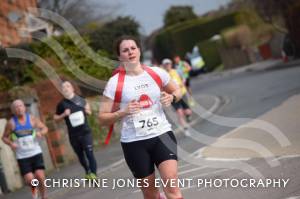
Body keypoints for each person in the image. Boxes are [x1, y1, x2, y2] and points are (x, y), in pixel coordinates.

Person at [99, 35, 184, 199]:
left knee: (172, 185)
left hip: (162, 135)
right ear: (119, 56)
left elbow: (178, 91)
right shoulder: (114, 83)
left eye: (133, 48)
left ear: (139, 50)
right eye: (125, 50)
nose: (130, 52)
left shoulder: (156, 72)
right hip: (134, 143)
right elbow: (102, 118)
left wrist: (171, 97)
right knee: (150, 193)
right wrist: (123, 112)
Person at [2, 99, 48, 199]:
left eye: (20, 106)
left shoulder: (32, 119)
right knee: (31, 180)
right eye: (16, 107)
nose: (19, 108)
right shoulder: (11, 123)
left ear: (24, 107)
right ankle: (35, 195)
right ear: (13, 111)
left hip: (36, 152)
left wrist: (41, 133)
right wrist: (11, 143)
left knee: (40, 176)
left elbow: (44, 128)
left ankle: (44, 197)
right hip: (23, 156)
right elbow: (4, 137)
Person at [54, 81, 97, 179]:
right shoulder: (61, 104)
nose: (66, 88)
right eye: (63, 87)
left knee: (89, 152)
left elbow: (89, 111)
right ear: (62, 91)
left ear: (72, 88)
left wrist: (87, 111)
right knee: (81, 156)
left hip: (85, 132)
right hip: (73, 135)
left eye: (68, 86)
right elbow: (55, 118)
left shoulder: (81, 100)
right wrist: (63, 114)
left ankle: (94, 174)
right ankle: (87, 171)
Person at [161, 58, 192, 136]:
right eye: (165, 64)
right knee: (179, 113)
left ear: (171, 64)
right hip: (172, 96)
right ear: (163, 66)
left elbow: (184, 77)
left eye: (168, 64)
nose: (167, 66)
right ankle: (186, 129)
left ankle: (188, 116)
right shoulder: (163, 75)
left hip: (182, 93)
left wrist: (182, 83)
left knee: (188, 111)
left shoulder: (176, 71)